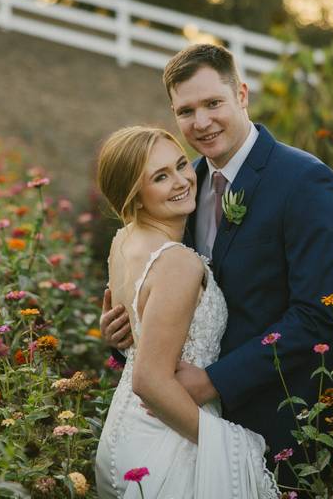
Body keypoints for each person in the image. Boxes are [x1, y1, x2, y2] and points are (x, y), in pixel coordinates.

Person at [100, 44, 333, 492]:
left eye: (213, 103)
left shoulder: (304, 181)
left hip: (278, 419)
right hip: (185, 426)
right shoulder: (183, 185)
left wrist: (215, 380)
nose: (201, 122)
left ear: (242, 96)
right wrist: (125, 334)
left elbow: (319, 315)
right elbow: (170, 301)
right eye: (186, 110)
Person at [92, 126, 279, 498]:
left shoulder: (124, 239)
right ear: (136, 195)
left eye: (180, 165)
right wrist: (227, 445)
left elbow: (137, 335)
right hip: (169, 437)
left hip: (123, 433)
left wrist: (113, 334)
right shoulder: (178, 263)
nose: (182, 181)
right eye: (160, 177)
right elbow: (148, 379)